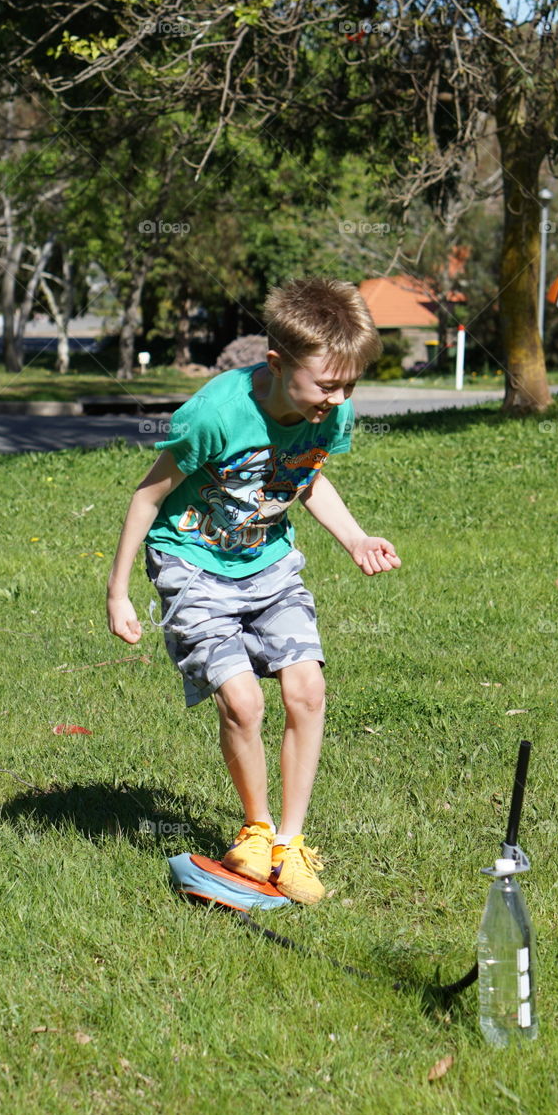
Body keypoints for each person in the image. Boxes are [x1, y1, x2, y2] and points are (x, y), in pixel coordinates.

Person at [107, 277, 400, 904]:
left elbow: (308, 478)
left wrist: (354, 540)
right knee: (243, 703)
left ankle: (289, 848)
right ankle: (256, 829)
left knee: (308, 687)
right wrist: (119, 590)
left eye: (348, 386)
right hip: (191, 565)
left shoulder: (332, 412)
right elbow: (148, 493)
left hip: (267, 563)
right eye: (326, 385)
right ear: (276, 364)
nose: (338, 399)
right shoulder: (215, 415)